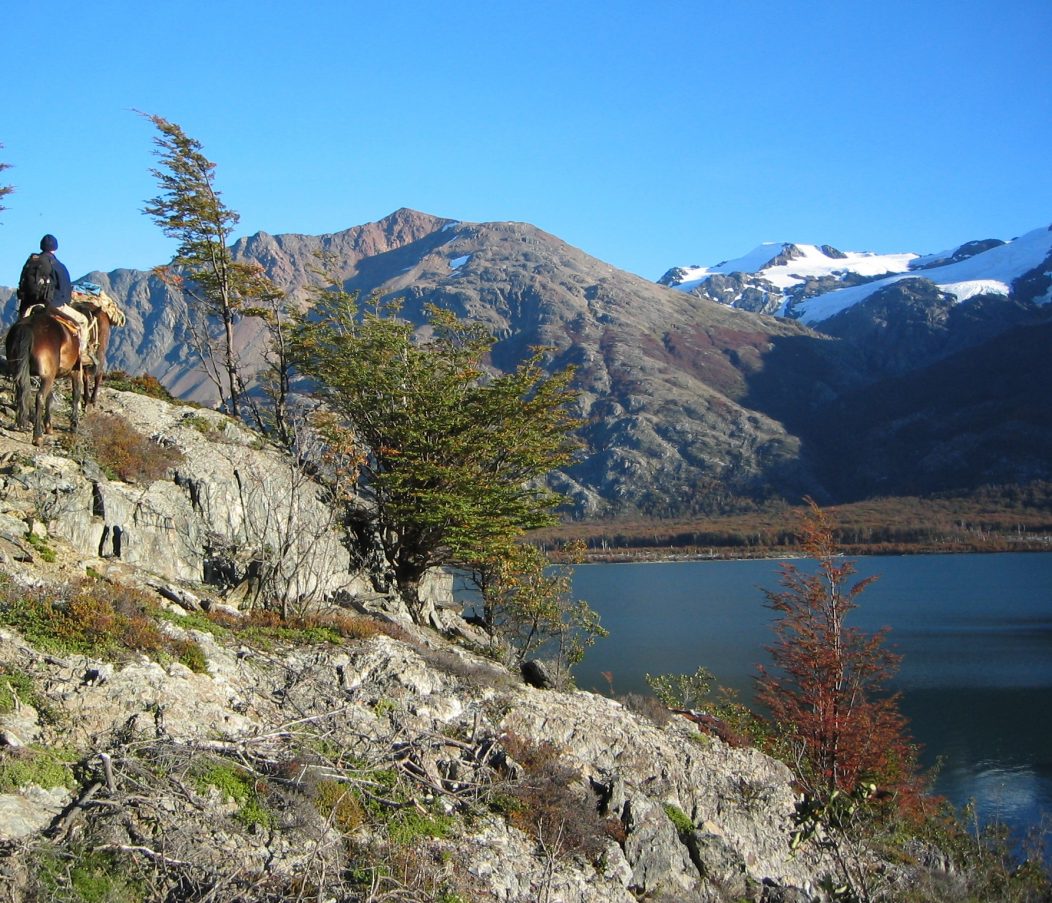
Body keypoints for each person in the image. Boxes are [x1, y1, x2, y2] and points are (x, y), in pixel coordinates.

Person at [34, 234, 95, 364]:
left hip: (30, 305)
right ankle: (82, 355)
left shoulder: (31, 262)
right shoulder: (58, 266)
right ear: (55, 248)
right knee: (82, 321)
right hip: (53, 305)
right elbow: (65, 290)